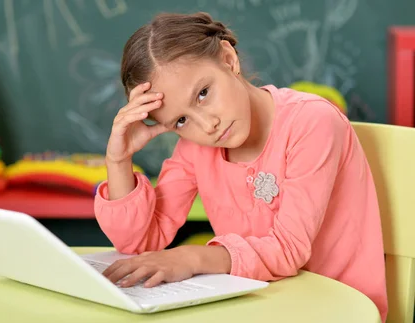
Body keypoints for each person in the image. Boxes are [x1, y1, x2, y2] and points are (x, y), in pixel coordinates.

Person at [93, 11, 387, 321]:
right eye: (180, 120)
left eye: (203, 94)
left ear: (228, 59)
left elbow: (288, 249)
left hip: (337, 309)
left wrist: (191, 256)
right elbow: (138, 243)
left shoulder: (312, 123)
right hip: (257, 306)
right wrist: (119, 159)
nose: (207, 126)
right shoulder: (196, 147)